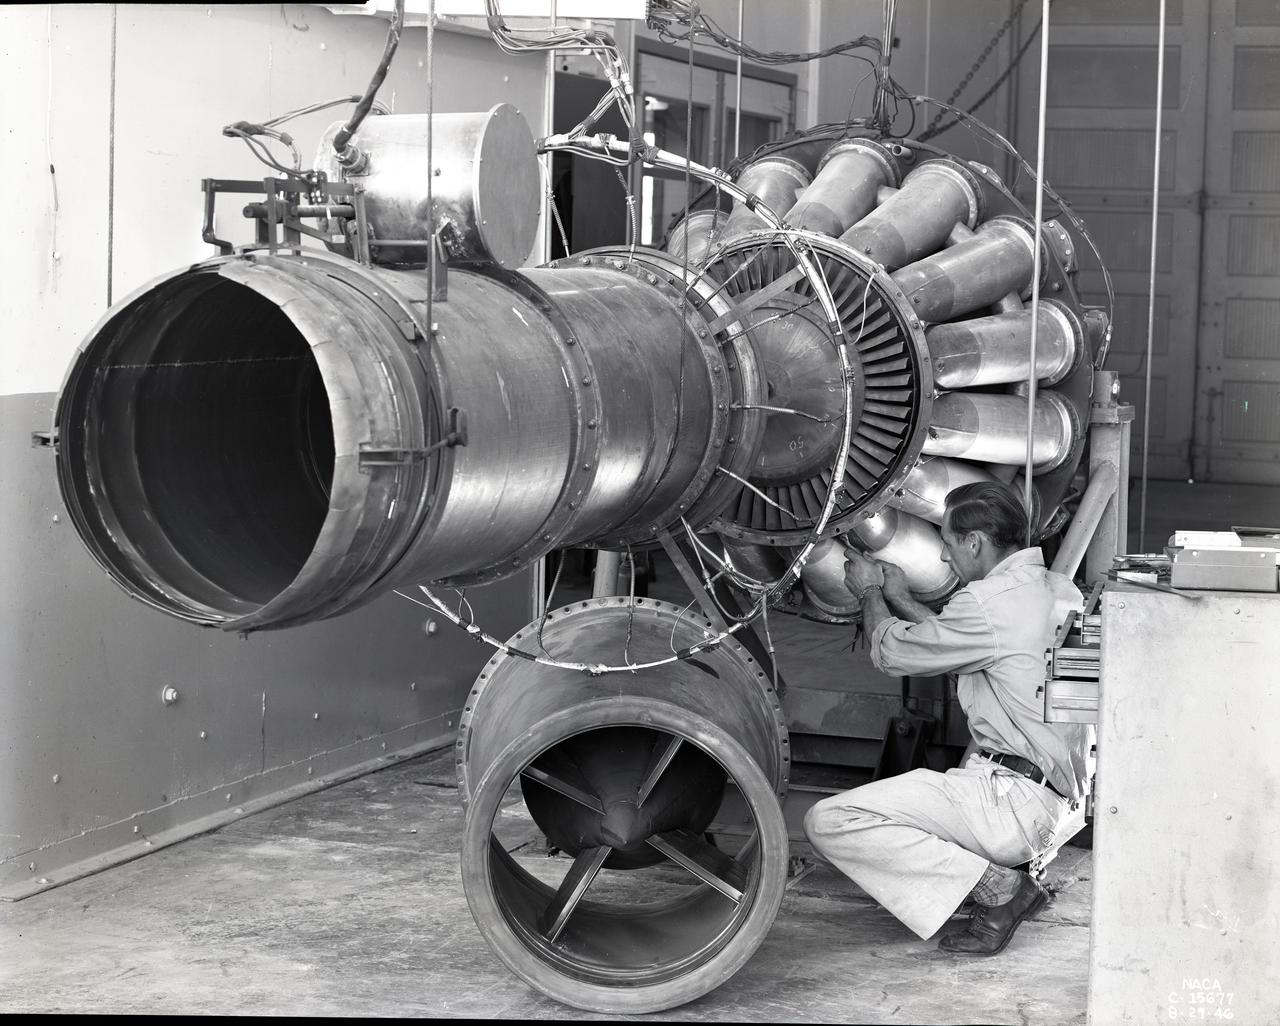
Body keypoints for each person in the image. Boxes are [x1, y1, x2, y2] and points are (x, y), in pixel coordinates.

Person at [802, 481, 1089, 955]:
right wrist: (900, 599)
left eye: (950, 546)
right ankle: (1001, 875)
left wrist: (871, 593)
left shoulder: (984, 603)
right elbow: (969, 645)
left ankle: (1001, 890)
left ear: (974, 542)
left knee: (831, 819)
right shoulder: (1058, 589)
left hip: (1011, 805)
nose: (945, 561)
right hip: (1056, 807)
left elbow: (893, 653)